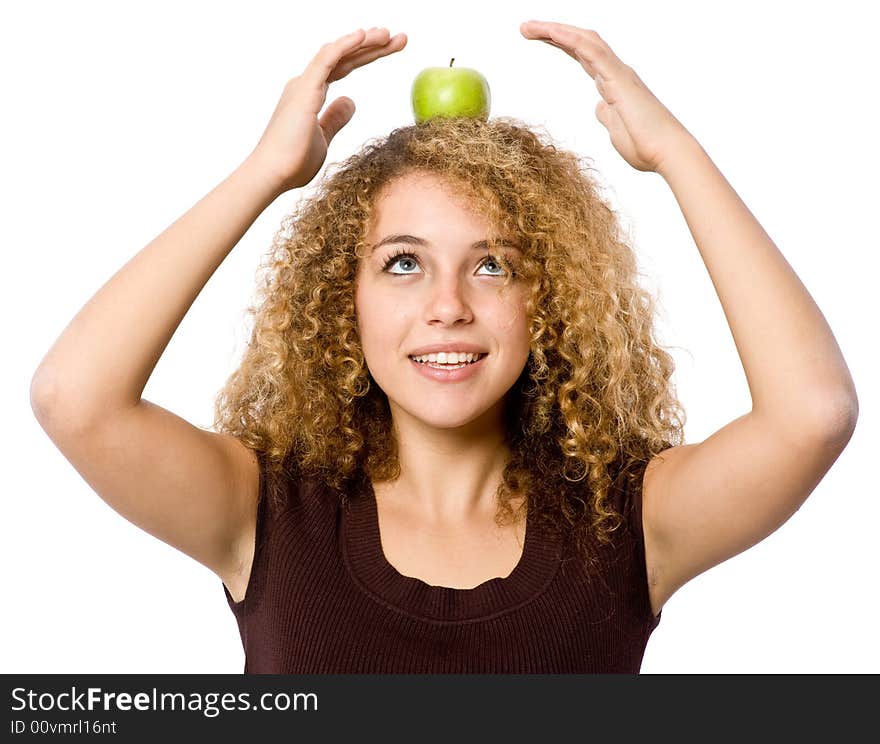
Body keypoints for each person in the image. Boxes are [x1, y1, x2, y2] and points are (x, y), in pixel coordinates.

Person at [30, 22, 858, 673]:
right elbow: (75, 396)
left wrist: (677, 155)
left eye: (493, 266)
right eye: (403, 264)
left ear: (549, 299)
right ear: (341, 297)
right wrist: (265, 171)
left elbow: (813, 414)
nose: (448, 308)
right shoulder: (267, 512)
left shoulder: (631, 520)